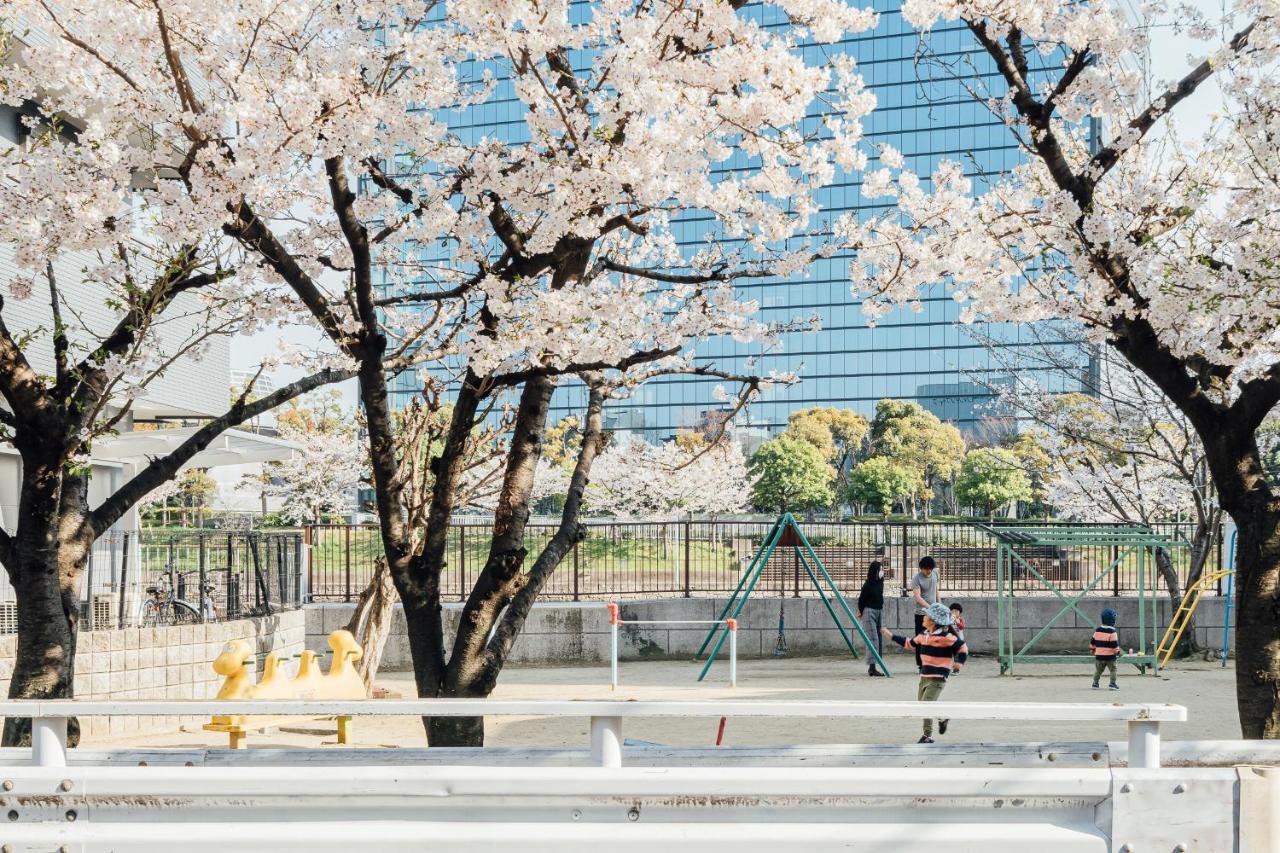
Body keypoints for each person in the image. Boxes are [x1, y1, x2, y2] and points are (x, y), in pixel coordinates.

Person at [882, 602, 967, 743]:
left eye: (926, 616)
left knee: (926, 705)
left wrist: (958, 663)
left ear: (933, 621)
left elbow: (963, 648)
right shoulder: (924, 634)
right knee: (922, 705)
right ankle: (942, 719)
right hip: (924, 676)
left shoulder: (947, 637)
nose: (923, 618)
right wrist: (891, 636)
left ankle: (927, 736)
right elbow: (909, 643)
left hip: (937, 678)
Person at [908, 556, 939, 670]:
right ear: (921, 568)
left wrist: (939, 605)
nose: (928, 571)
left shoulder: (935, 574)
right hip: (921, 614)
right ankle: (921, 665)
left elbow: (936, 590)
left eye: (930, 568)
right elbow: (918, 597)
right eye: (926, 569)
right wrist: (930, 607)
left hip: (933, 614)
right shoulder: (916, 578)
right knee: (921, 640)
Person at [857, 561, 886, 677]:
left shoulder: (880, 583)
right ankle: (872, 668)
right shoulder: (867, 585)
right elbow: (861, 600)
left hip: (879, 611)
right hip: (869, 612)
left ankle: (874, 665)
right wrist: (862, 612)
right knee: (873, 639)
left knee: (878, 638)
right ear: (875, 571)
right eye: (880, 569)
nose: (882, 571)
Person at [1091, 608, 1122, 690]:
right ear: (1113, 620)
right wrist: (1118, 652)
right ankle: (1112, 684)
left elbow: (1093, 642)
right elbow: (1114, 645)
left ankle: (1095, 683)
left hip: (1099, 656)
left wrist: (1093, 649)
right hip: (1110, 657)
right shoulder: (1112, 632)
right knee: (1113, 670)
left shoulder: (1098, 630)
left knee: (1098, 670)